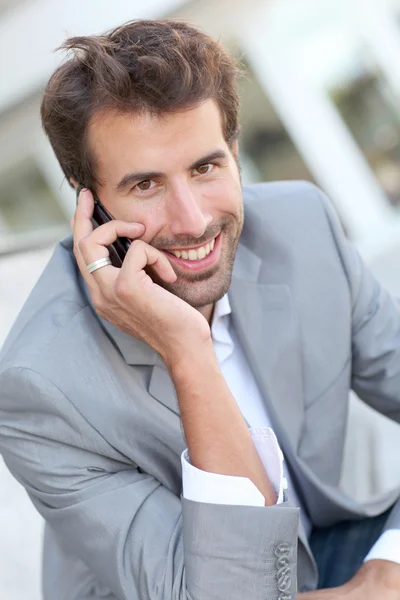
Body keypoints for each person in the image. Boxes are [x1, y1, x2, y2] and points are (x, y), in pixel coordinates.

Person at [0, 19, 399, 600]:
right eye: (145, 185)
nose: (191, 220)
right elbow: (232, 591)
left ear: (234, 153)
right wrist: (188, 349)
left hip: (324, 554)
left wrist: (386, 568)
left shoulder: (302, 226)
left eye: (205, 167)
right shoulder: (39, 387)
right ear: (88, 201)